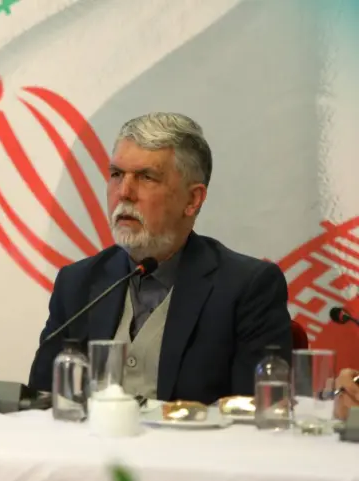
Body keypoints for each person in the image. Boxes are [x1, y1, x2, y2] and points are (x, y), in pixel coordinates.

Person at [28, 112, 292, 404]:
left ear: (192, 199)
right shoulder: (77, 283)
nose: (124, 193)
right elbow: (40, 403)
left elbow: (257, 412)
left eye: (146, 177)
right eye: (116, 174)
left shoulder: (247, 288)